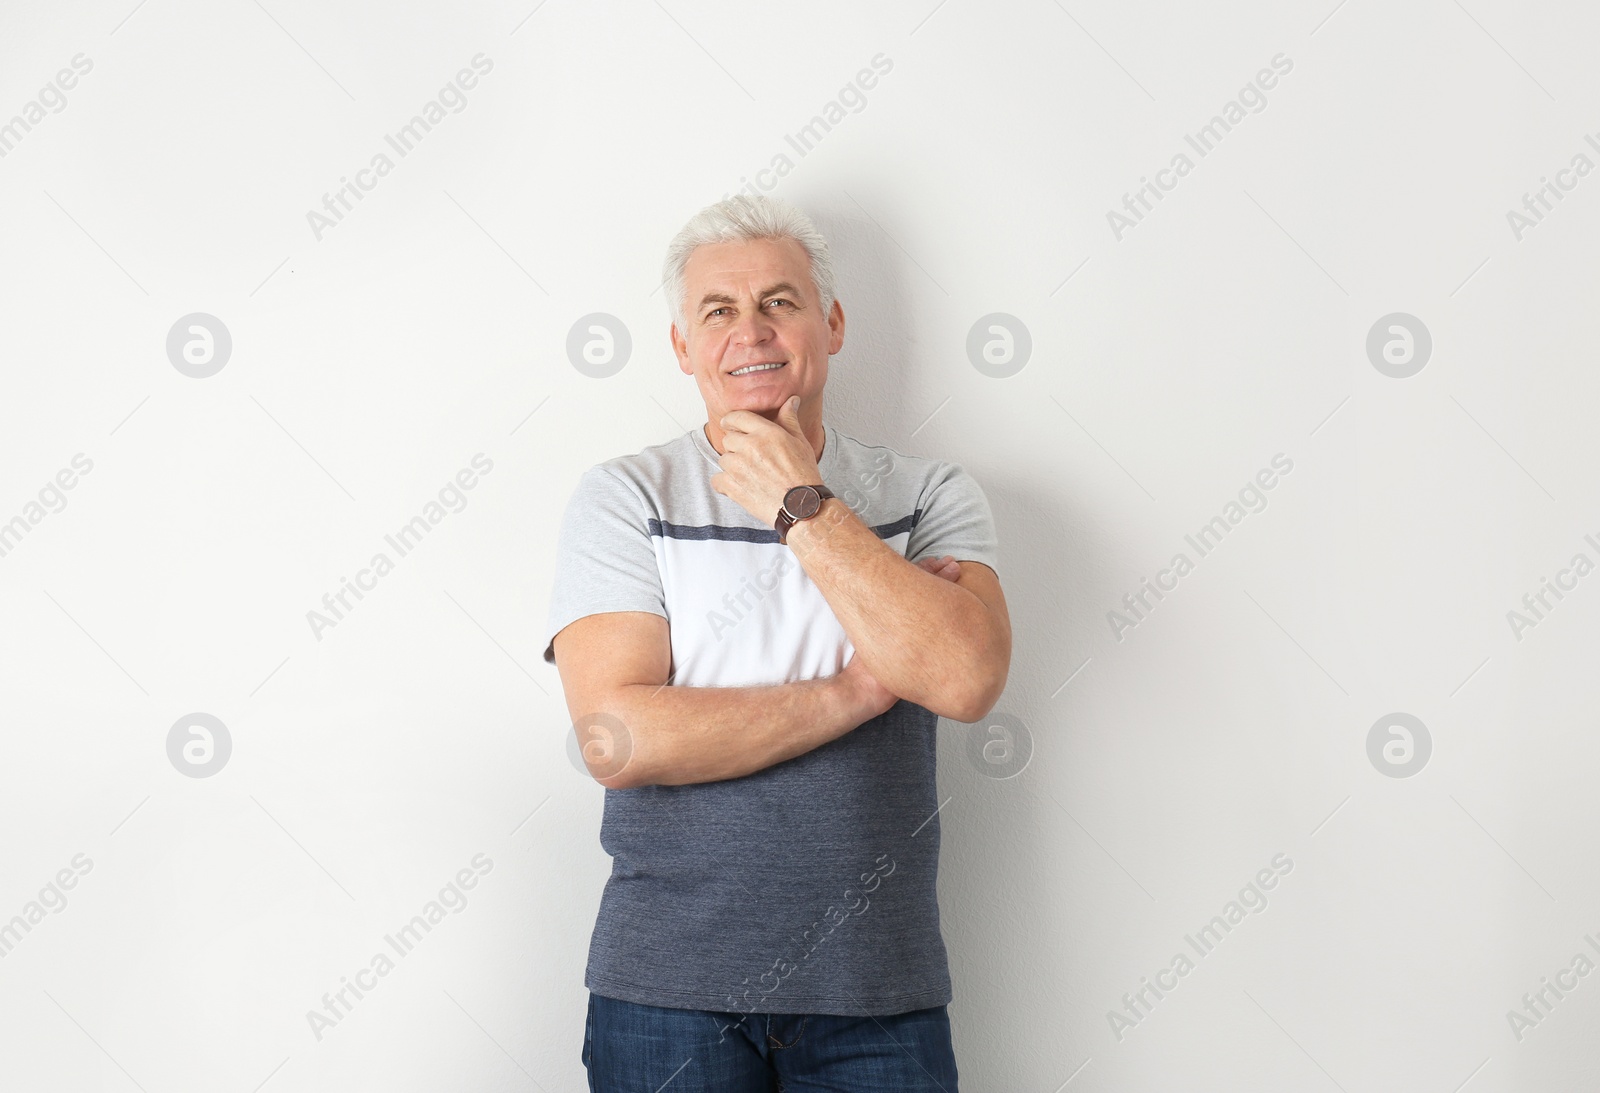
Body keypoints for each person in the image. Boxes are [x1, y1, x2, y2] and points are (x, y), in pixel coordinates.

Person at [543, 192, 1011, 1092]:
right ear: (684, 346)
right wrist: (854, 693)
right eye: (717, 310)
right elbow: (619, 736)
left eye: (780, 302)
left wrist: (805, 506)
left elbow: (963, 678)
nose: (749, 330)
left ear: (829, 324)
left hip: (879, 992)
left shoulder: (931, 492)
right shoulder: (625, 498)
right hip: (666, 996)